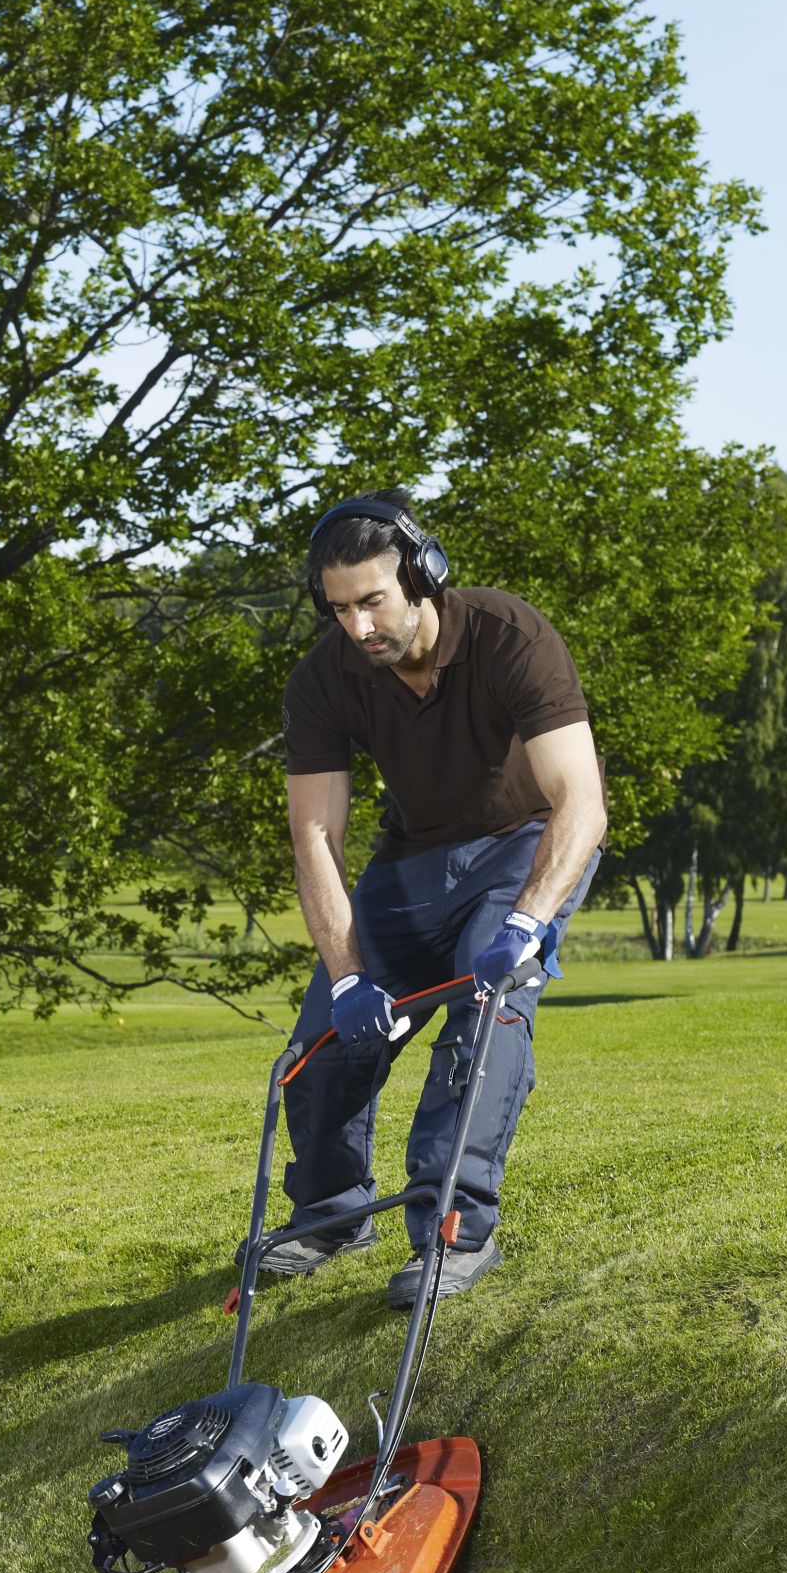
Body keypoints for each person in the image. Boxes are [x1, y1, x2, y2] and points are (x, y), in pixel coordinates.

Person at [265, 491, 608, 1305]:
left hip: (526, 843)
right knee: (321, 1046)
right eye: (338, 608)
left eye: (372, 601)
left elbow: (582, 805)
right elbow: (315, 836)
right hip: (414, 857)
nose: (357, 626)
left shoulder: (508, 635)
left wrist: (525, 923)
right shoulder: (324, 679)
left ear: (423, 575)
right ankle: (331, 1214)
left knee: (486, 1018)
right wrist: (349, 976)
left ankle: (454, 1232)